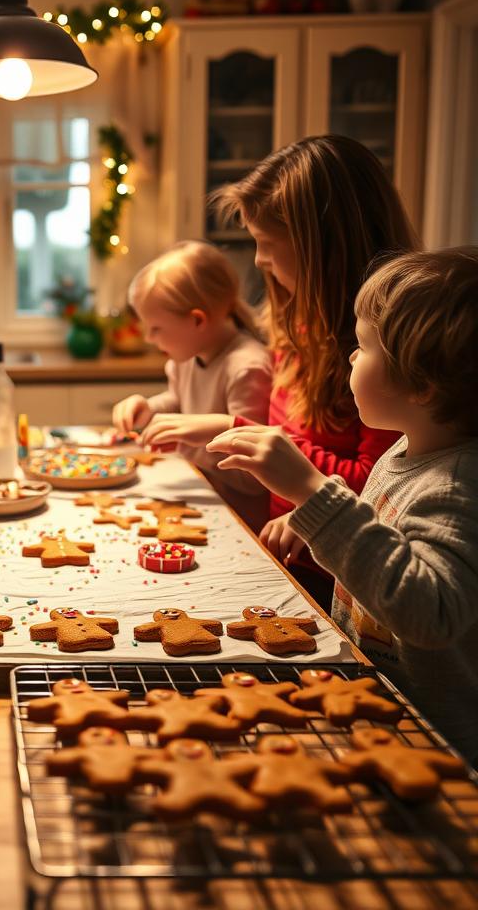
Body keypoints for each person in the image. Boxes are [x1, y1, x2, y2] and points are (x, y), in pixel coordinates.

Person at [207, 248, 478, 762]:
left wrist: (312, 491)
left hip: (439, 745)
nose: (351, 358)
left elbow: (430, 612)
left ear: (421, 383)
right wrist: (307, 517)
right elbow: (386, 540)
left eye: (363, 346)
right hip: (380, 713)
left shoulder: (459, 485)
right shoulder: (403, 452)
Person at [135, 136, 419, 606]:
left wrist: (242, 431)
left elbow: (380, 487)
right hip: (280, 566)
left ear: (320, 243)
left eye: (266, 243)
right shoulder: (299, 323)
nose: (259, 259)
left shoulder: (381, 351)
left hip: (334, 586)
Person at [111, 241, 271, 528]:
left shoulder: (246, 368)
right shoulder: (185, 358)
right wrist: (147, 408)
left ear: (197, 320)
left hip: (239, 523)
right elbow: (179, 400)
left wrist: (184, 441)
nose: (148, 338)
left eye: (156, 328)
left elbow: (252, 478)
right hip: (202, 504)